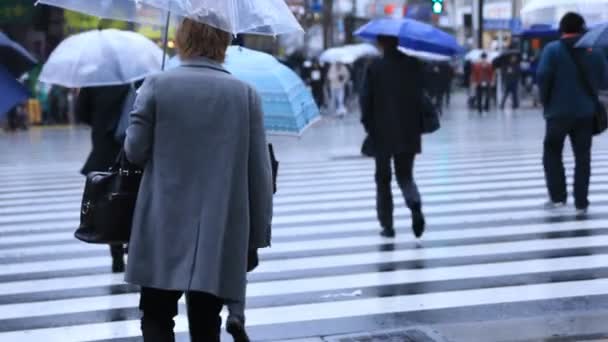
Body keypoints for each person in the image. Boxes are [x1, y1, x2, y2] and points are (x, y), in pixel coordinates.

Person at [124, 17, 273, 342]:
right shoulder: (245, 94)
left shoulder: (156, 84)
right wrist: (256, 236)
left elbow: (134, 150)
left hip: (162, 224)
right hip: (217, 230)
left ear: (183, 39)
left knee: (157, 316)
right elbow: (258, 172)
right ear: (223, 43)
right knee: (207, 322)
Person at [537, 12, 608, 217]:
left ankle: (558, 197)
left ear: (562, 28)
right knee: (583, 157)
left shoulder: (552, 50)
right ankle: (581, 202)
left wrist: (546, 101)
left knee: (552, 152)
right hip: (585, 113)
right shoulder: (594, 52)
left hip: (557, 113)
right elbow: (604, 80)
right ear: (582, 28)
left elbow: (543, 77)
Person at [360, 35, 426, 239]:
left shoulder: (374, 67)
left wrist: (369, 126)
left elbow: (365, 100)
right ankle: (413, 202)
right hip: (409, 131)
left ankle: (387, 225)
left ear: (381, 44)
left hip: (381, 132)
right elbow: (421, 94)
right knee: (405, 175)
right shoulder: (413, 65)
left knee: (383, 179)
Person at [76, 84, 130, 273]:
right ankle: (132, 248)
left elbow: (81, 113)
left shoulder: (93, 84)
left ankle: (116, 255)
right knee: (133, 200)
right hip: (129, 148)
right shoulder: (136, 81)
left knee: (109, 202)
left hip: (103, 148)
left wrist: (100, 121)